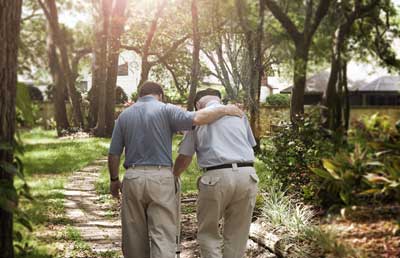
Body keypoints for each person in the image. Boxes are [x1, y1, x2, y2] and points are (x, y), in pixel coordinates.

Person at [108, 82, 243, 258]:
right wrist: (225, 110)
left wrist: (114, 179)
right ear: (160, 95)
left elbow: (114, 153)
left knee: (133, 234)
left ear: (139, 95)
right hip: (161, 176)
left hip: (133, 177)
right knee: (163, 234)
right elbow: (198, 118)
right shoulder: (166, 109)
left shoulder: (124, 116)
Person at [174, 88, 258, 258]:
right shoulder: (239, 115)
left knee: (208, 233)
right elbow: (250, 144)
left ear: (198, 105)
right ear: (219, 100)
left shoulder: (197, 119)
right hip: (247, 175)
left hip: (216, 177)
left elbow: (185, 157)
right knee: (238, 234)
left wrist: (172, 176)